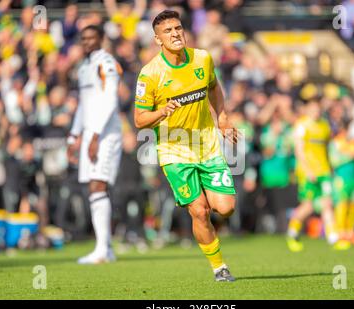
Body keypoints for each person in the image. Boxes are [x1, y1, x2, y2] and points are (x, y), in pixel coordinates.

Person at [133, 10, 237, 282]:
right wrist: (161, 112)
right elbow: (139, 119)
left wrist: (222, 117)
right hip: (174, 150)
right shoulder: (150, 74)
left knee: (225, 208)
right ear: (158, 40)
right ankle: (219, 267)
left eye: (178, 28)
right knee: (200, 211)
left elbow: (213, 87)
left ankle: (207, 195)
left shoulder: (203, 58)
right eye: (168, 31)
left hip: (207, 145)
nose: (175, 34)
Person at [67, 25, 123, 264]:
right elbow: (83, 105)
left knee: (98, 186)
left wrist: (97, 135)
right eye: (84, 39)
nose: (87, 42)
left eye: (92, 37)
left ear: (101, 39)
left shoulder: (106, 63)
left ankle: (102, 249)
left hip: (106, 133)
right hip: (91, 133)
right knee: (94, 188)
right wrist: (73, 136)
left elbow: (110, 99)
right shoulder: (84, 68)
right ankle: (105, 248)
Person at [286, 98, 338, 252]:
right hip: (307, 172)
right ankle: (292, 232)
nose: (316, 112)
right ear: (307, 110)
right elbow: (299, 150)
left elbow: (326, 148)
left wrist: (330, 165)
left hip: (324, 171)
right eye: (313, 109)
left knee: (327, 203)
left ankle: (333, 238)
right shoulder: (301, 125)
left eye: (318, 109)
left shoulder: (324, 126)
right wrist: (308, 170)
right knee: (308, 206)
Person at [329, 120, 354, 250]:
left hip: (353, 179)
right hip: (341, 179)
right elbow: (334, 161)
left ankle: (349, 232)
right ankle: (340, 234)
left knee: (353, 205)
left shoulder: (353, 143)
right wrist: (349, 155)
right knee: (341, 205)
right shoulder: (335, 143)